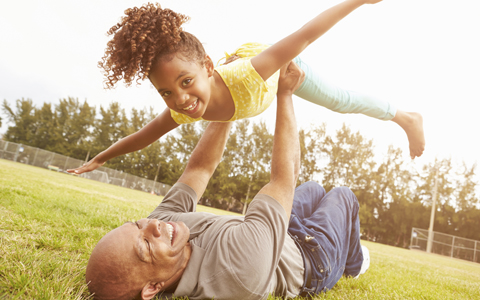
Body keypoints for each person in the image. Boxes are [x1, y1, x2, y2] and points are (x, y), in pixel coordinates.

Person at [85, 61, 370, 300]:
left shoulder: (159, 224)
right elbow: (284, 179)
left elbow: (199, 169)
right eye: (145, 245)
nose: (152, 226)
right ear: (153, 287)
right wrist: (285, 94)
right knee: (342, 196)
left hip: (282, 232)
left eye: (137, 225)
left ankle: (341, 242)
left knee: (315, 189)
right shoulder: (236, 271)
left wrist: (227, 101)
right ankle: (354, 264)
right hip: (310, 256)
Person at [68, 0, 425, 177]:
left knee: (339, 101)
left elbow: (304, 36)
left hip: (272, 71)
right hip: (231, 82)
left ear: (207, 68)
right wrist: (100, 158)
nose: (181, 100)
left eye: (186, 83)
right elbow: (143, 137)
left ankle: (405, 117)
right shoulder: (180, 107)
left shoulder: (251, 73)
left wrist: (357, 1)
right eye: (166, 92)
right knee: (208, 110)